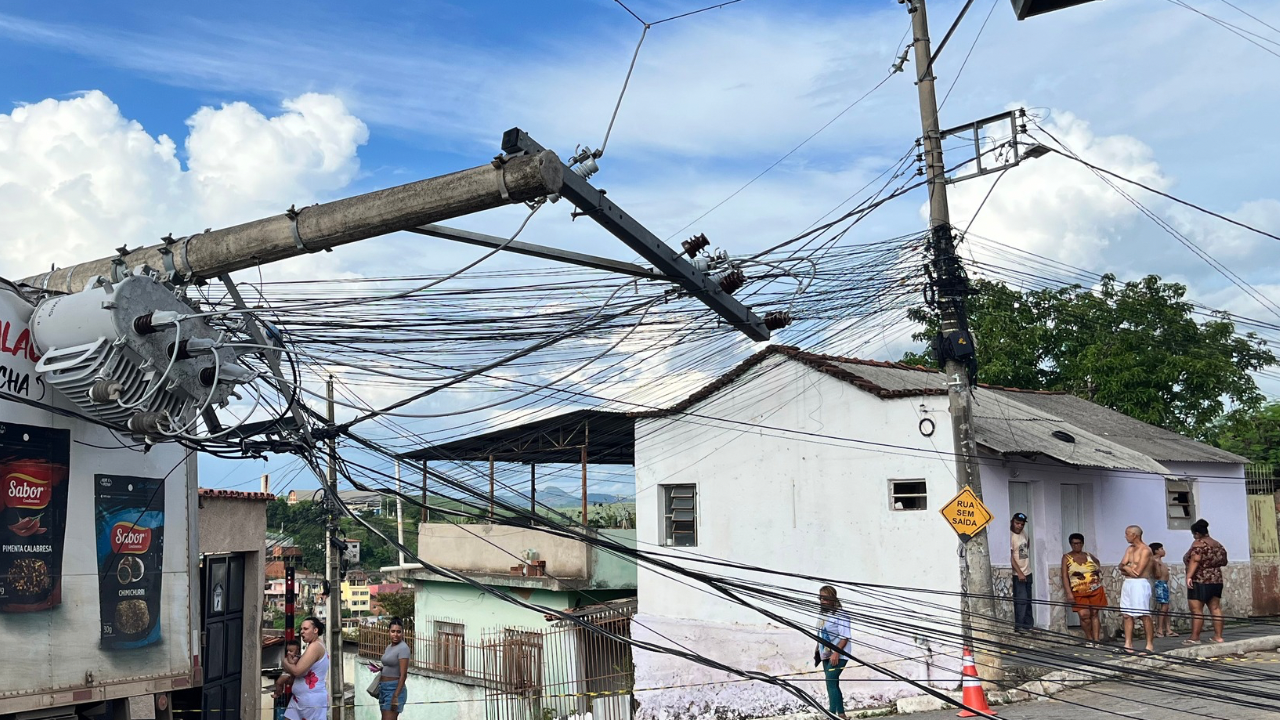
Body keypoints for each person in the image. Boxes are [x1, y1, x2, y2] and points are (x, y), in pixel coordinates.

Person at [1183, 519, 1228, 645]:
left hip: (1200, 579)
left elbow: (1195, 560)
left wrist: (1189, 576)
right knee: (1215, 608)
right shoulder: (1217, 544)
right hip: (1216, 579)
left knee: (1196, 610)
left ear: (1197, 533)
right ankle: (1218, 637)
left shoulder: (1198, 544)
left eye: (1194, 534)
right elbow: (1224, 561)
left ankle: (1195, 637)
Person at [1061, 533, 1107, 644]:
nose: (1076, 546)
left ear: (1082, 544)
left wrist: (1097, 571)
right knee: (1084, 615)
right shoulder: (1066, 558)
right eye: (1074, 544)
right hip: (1078, 590)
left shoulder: (1088, 555)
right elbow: (1064, 576)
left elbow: (1097, 563)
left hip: (1095, 588)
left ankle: (1096, 640)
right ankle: (1089, 638)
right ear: (1070, 544)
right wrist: (1069, 593)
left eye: (1078, 543)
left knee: (1094, 614)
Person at [283, 617, 330, 720]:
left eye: (305, 629)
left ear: (315, 630)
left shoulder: (315, 646)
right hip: (300, 699)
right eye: (301, 629)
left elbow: (297, 671)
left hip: (311, 700)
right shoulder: (312, 646)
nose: (302, 632)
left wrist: (285, 662)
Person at [1119, 525, 1155, 654]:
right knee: (1127, 614)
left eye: (1127, 533)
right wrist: (1127, 568)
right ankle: (1128, 645)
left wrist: (1127, 568)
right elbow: (1121, 565)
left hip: (1140, 583)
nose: (1125, 536)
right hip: (1128, 583)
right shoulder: (1130, 549)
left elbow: (1138, 572)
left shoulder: (1145, 550)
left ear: (1134, 535)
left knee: (1144, 614)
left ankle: (1149, 645)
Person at [815, 585, 851, 717]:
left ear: (832, 598)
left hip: (839, 654)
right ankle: (841, 714)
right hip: (825, 653)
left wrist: (836, 653)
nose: (822, 601)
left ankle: (831, 715)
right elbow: (821, 632)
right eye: (820, 598)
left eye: (825, 598)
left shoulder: (841, 615)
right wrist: (817, 649)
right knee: (832, 683)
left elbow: (845, 637)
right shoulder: (822, 614)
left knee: (830, 681)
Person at [378, 617, 411, 719]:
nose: (395, 634)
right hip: (383, 688)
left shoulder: (403, 648)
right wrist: (381, 669)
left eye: (398, 632)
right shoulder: (389, 647)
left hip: (394, 689)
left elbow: (403, 675)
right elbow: (391, 665)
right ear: (388, 632)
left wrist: (395, 696)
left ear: (402, 633)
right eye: (393, 631)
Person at [1010, 513, 1033, 632]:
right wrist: (1019, 572)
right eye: (1017, 523)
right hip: (1018, 574)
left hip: (1027, 572)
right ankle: (1019, 626)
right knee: (1021, 601)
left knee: (1028, 601)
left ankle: (1028, 626)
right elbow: (1010, 557)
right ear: (1012, 522)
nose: (1019, 526)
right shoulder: (1010, 536)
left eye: (1022, 524)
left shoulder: (1023, 533)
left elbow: (1026, 545)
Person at [1149, 543, 1176, 638]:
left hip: (1164, 584)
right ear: (1156, 551)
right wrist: (1157, 565)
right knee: (1164, 607)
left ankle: (1167, 629)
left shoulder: (1159, 561)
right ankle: (1160, 629)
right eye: (1161, 549)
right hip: (1160, 584)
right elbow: (1157, 575)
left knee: (1166, 608)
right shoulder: (1154, 561)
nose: (1163, 550)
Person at [273, 639, 301, 720]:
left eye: (291, 651)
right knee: (278, 683)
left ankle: (278, 693)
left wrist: (287, 659)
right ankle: (278, 692)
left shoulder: (296, 658)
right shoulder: (291, 656)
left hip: (288, 674)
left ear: (297, 651)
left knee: (279, 682)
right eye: (287, 651)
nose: (288, 653)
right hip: (285, 672)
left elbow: (292, 663)